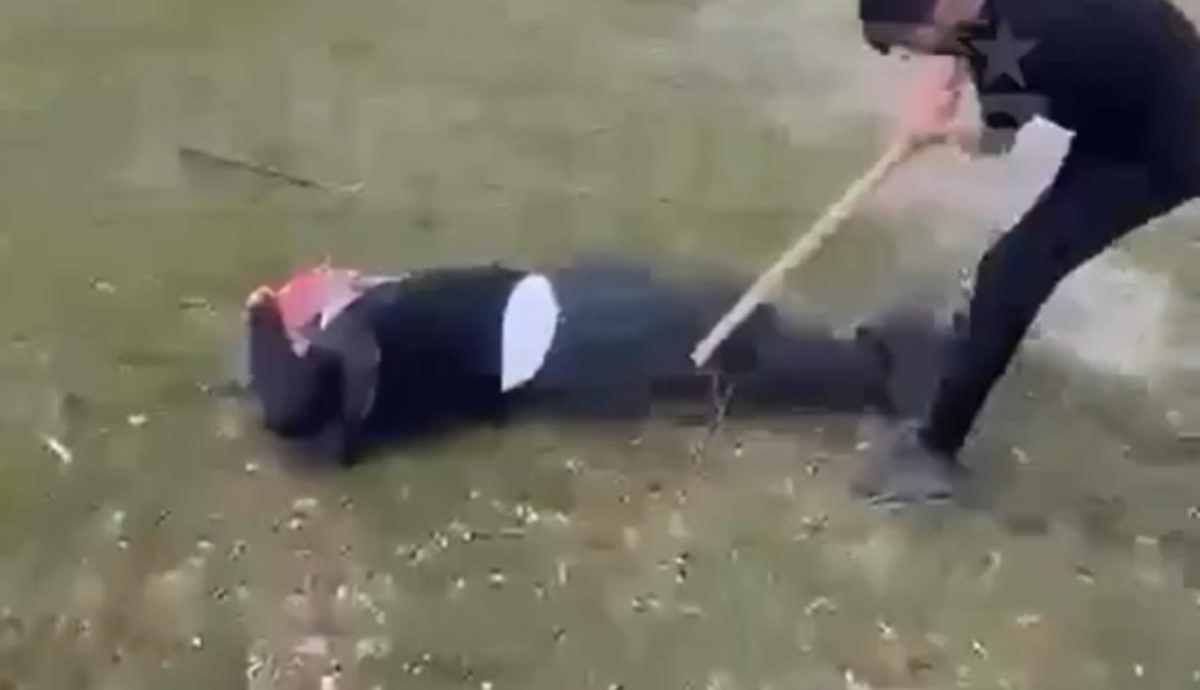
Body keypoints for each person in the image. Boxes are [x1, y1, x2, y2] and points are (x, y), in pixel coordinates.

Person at [855, 0, 1200, 504]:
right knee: (1008, 275)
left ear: (943, 9)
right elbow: (981, 32)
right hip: (1156, 80)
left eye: (916, 45)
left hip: (1163, 146)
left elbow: (995, 141)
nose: (923, 56)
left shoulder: (1027, 56)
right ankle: (979, 344)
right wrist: (950, 74)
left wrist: (931, 133)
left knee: (1012, 274)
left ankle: (934, 455)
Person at [237, 257, 947, 465]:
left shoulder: (359, 350)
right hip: (565, 330)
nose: (332, 279)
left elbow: (293, 397)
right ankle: (886, 372)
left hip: (551, 327)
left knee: (712, 322)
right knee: (720, 334)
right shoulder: (353, 351)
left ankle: (869, 364)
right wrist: (263, 311)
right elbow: (290, 400)